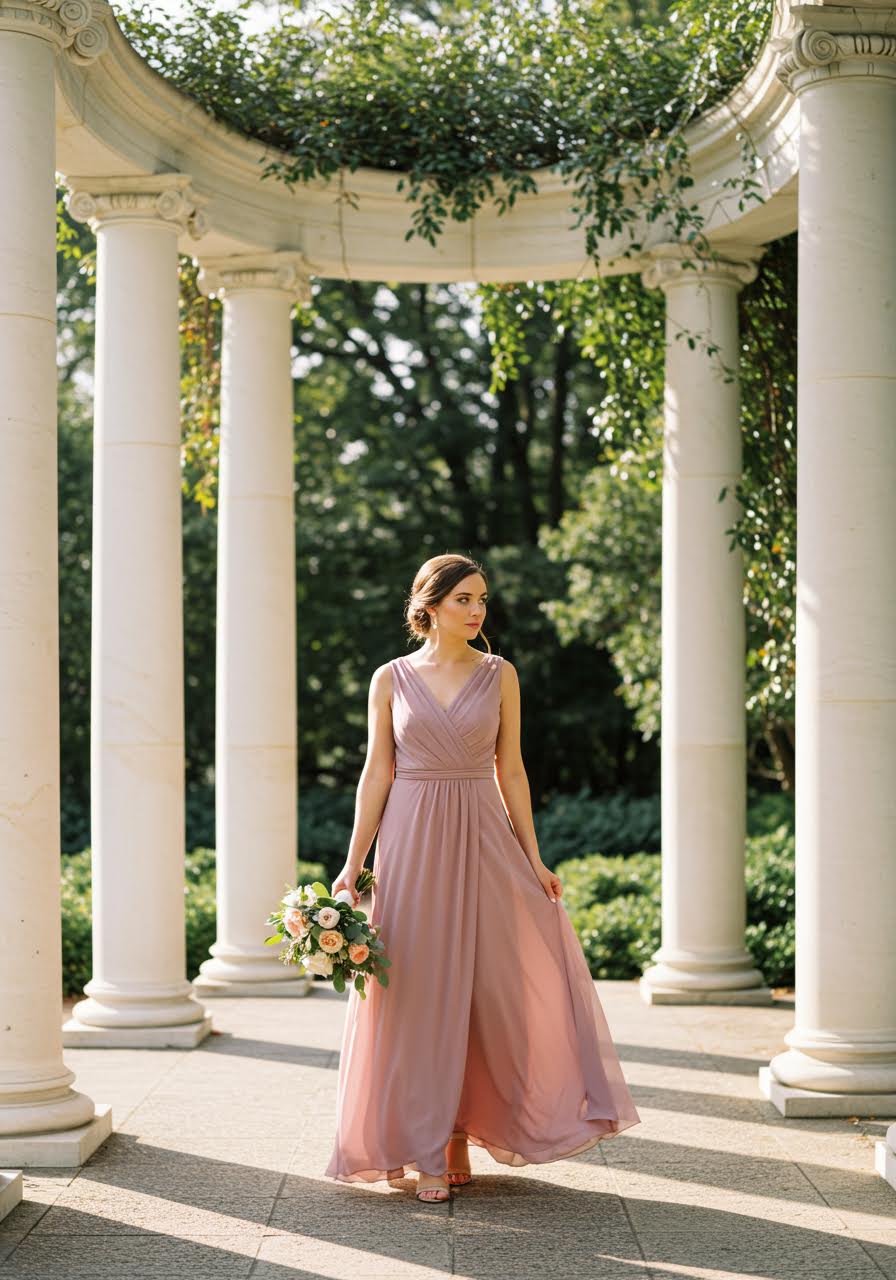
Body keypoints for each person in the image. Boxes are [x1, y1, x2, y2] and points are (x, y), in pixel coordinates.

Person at [324, 553, 639, 1202]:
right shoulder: (390, 679)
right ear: (430, 606)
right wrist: (355, 862)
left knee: (484, 990)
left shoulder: (500, 675)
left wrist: (534, 857)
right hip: (410, 841)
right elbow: (376, 773)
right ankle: (423, 1148)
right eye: (464, 599)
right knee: (413, 993)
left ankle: (459, 1131)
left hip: (483, 838)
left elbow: (512, 771)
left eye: (482, 600)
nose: (477, 611)